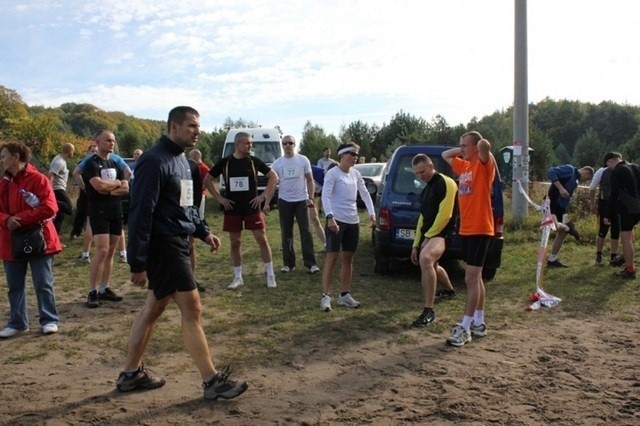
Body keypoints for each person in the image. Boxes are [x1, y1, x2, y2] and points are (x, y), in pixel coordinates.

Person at [118, 106, 248, 400]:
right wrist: (137, 262)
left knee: (154, 307)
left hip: (178, 241)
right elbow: (140, 213)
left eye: (198, 126)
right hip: (164, 245)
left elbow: (187, 205)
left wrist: (203, 232)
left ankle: (130, 373)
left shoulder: (186, 164)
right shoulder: (153, 161)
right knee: (192, 308)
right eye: (191, 125)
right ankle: (212, 381)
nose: (197, 131)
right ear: (173, 127)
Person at [0, 141, 62, 338]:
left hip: (39, 239)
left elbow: (50, 207)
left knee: (43, 281)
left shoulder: (39, 179)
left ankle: (49, 319)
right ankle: (18, 322)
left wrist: (21, 219)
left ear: (16, 157)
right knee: (15, 285)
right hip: (11, 241)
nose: (1, 159)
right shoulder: (4, 183)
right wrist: (7, 219)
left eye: (3, 156)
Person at [204, 131, 278, 289]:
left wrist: (263, 196)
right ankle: (238, 277)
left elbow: (274, 177)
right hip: (232, 209)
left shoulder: (254, 161)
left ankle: (270, 274)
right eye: (247, 143)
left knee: (262, 239)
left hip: (252, 207)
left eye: (251, 143)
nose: (250, 146)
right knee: (235, 243)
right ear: (237, 144)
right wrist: (219, 199)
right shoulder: (225, 163)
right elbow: (207, 180)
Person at [442, 131, 496, 347]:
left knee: (470, 279)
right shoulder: (464, 166)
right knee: (477, 277)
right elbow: (446, 155)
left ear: (475, 148)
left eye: (465, 145)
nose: (461, 149)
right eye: (460, 145)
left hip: (481, 228)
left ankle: (465, 327)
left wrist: (476, 145)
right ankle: (479, 323)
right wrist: (463, 148)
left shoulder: (484, 166)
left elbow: (485, 144)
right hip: (467, 229)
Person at [320, 142, 376, 312]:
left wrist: (372, 213)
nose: (355, 158)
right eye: (352, 154)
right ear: (342, 155)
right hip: (336, 220)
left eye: (356, 155)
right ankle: (326, 296)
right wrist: (330, 217)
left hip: (353, 221)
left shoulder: (356, 174)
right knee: (332, 257)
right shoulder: (333, 173)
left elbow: (365, 193)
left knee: (348, 258)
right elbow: (325, 195)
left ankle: (344, 295)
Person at [82, 129, 129, 307]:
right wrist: (116, 184)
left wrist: (113, 187)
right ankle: (92, 291)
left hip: (116, 210)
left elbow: (126, 188)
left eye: (113, 140)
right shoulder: (91, 163)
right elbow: (98, 186)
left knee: (110, 251)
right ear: (98, 142)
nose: (112, 143)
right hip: (98, 210)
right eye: (108, 140)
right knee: (101, 250)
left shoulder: (115, 163)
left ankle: (104, 288)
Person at [409, 154, 458, 327]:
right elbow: (422, 219)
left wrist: (429, 237)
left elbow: (446, 215)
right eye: (417, 173)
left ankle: (429, 310)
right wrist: (416, 243)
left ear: (431, 166)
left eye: (422, 171)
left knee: (426, 259)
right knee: (433, 265)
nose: (420, 176)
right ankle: (450, 290)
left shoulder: (446, 182)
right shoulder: (426, 189)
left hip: (443, 233)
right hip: (430, 233)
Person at [270, 135, 320, 274]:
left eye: (290, 143)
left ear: (294, 144)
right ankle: (288, 263)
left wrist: (311, 197)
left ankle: (311, 264)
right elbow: (272, 183)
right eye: (284, 143)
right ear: (282, 145)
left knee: (306, 231)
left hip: (301, 200)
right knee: (286, 232)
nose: (287, 145)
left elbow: (310, 180)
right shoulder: (278, 163)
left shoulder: (303, 160)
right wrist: (267, 200)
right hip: (284, 200)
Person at [545, 163, 594, 268]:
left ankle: (552, 259)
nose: (585, 181)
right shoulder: (570, 170)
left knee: (562, 233)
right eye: (587, 178)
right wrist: (561, 188)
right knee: (555, 226)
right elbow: (551, 172)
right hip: (552, 202)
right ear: (587, 172)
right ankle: (568, 227)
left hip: (562, 208)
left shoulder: (576, 180)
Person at [604, 152, 640, 280]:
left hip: (628, 208)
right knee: (629, 236)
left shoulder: (617, 171)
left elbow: (613, 194)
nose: (608, 168)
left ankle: (630, 270)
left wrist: (607, 214)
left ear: (611, 161)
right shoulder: (636, 167)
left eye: (608, 165)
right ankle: (625, 258)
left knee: (626, 238)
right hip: (638, 206)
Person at [589, 162, 623, 266]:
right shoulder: (602, 171)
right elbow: (592, 187)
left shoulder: (622, 171)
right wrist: (592, 203)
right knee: (603, 229)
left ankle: (613, 256)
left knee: (616, 230)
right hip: (605, 203)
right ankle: (598, 255)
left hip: (618, 204)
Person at [70, 143, 97, 240]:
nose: (94, 153)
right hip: (85, 191)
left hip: (96, 191)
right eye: (92, 151)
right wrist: (83, 187)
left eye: (96, 151)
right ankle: (75, 232)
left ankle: (93, 233)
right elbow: (76, 175)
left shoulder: (100, 163)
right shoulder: (83, 162)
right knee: (81, 212)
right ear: (88, 152)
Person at [48, 142, 75, 233]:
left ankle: (56, 239)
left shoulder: (61, 160)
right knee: (69, 208)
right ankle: (49, 203)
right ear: (70, 151)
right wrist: (49, 191)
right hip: (57, 189)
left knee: (60, 216)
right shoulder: (59, 162)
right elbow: (51, 175)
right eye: (73, 151)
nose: (73, 153)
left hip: (60, 188)